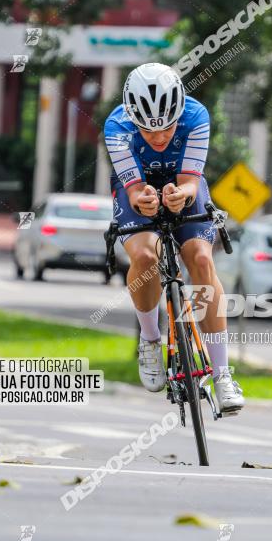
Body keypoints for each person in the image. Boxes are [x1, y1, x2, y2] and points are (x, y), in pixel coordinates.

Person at [104, 62, 244, 414]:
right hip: (136, 188)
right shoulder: (116, 125)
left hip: (184, 184)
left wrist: (181, 193)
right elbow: (134, 188)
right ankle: (150, 339)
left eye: (167, 127)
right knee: (147, 257)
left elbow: (191, 179)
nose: (159, 137)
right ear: (132, 117)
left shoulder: (196, 115)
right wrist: (141, 198)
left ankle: (222, 373)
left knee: (199, 259)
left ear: (178, 111)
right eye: (148, 131)